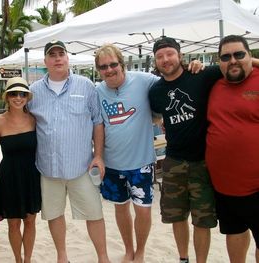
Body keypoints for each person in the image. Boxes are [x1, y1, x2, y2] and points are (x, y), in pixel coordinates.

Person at [28, 40, 110, 263]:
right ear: (45, 61)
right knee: (54, 214)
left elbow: (98, 122)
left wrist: (98, 156)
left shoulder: (85, 85)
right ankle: (62, 256)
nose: (57, 58)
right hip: (47, 168)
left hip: (81, 166)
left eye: (61, 54)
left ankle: (103, 257)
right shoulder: (33, 92)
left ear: (67, 58)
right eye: (52, 55)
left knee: (94, 213)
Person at [148, 37, 224, 263]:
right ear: (156, 61)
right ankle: (183, 259)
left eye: (170, 54)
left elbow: (236, 65)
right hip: (173, 162)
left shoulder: (201, 75)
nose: (165, 59)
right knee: (176, 217)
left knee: (203, 220)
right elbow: (158, 115)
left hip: (203, 162)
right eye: (160, 56)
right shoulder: (156, 92)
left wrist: (248, 58)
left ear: (180, 55)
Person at [95, 44, 159, 263]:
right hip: (112, 164)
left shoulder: (145, 80)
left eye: (113, 64)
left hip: (141, 162)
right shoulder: (97, 91)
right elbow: (98, 126)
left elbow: (173, 81)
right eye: (103, 67)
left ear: (121, 63)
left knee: (143, 210)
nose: (109, 70)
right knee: (121, 209)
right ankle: (128, 249)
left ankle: (140, 251)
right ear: (98, 70)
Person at [206, 35, 259, 263]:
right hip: (224, 188)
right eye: (226, 57)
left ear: (250, 56)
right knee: (234, 233)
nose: (233, 61)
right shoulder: (214, 84)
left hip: (257, 188)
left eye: (239, 54)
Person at [0, 77, 41, 263]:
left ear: (27, 97)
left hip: (31, 176)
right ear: (7, 97)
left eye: (22, 94)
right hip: (9, 177)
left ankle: (27, 259)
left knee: (30, 220)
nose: (18, 98)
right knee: (13, 223)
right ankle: (17, 260)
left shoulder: (34, 119)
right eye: (13, 93)